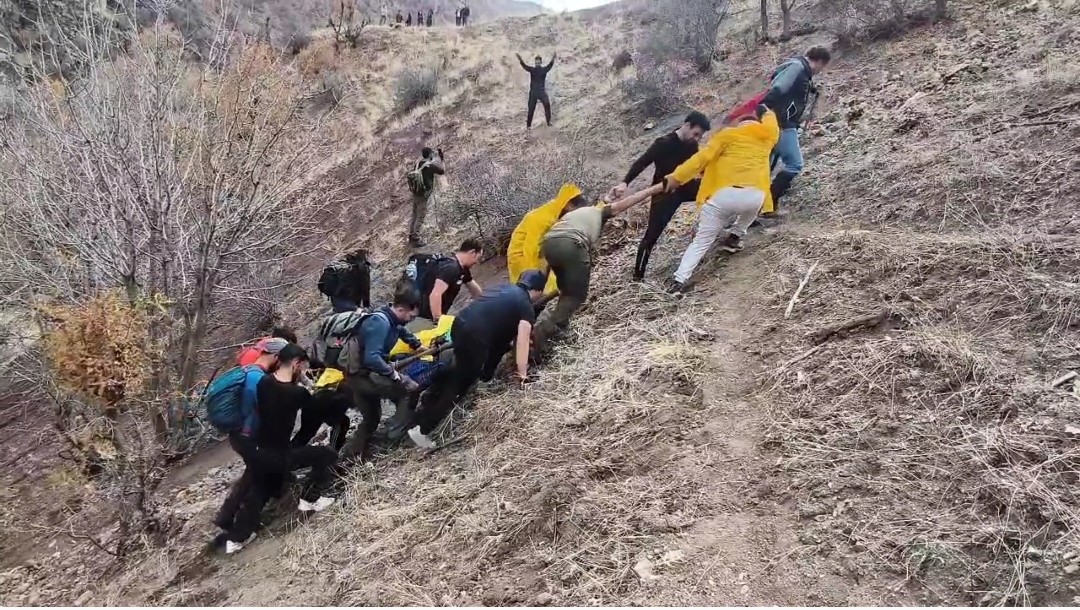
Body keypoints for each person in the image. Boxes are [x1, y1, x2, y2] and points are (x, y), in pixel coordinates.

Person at [407, 270, 547, 449]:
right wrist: (522, 374)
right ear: (537, 291)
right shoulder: (525, 305)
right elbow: (522, 342)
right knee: (459, 385)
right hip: (476, 337)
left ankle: (430, 393)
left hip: (460, 323)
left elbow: (502, 339)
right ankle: (422, 430)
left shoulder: (503, 288)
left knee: (459, 364)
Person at [222, 344, 338, 554]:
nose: (302, 370)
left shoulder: (264, 382)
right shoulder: (298, 393)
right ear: (295, 364)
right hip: (280, 453)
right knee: (326, 455)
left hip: (259, 448)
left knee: (260, 491)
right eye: (301, 366)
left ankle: (236, 539)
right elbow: (315, 410)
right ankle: (310, 499)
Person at [663, 105, 780, 293]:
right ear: (757, 125)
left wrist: (677, 177)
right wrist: (767, 110)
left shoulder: (727, 136)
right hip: (754, 196)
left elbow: (701, 159)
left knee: (702, 241)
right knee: (751, 208)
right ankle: (735, 235)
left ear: (739, 125)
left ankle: (679, 281)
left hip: (723, 197)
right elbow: (772, 125)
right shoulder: (767, 138)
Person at [532, 185, 661, 353]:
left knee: (566, 290)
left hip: (549, 245)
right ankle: (542, 333)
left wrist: (542, 281)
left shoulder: (571, 216)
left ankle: (559, 327)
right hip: (572, 244)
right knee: (576, 295)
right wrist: (656, 189)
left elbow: (551, 243)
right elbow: (628, 201)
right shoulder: (598, 213)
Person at [609, 111, 712, 281]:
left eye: (699, 136)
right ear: (687, 125)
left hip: (685, 187)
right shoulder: (663, 143)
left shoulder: (692, 145)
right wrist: (624, 183)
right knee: (651, 236)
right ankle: (637, 277)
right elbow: (642, 162)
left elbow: (698, 165)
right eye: (695, 134)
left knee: (715, 192)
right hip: (663, 193)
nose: (697, 139)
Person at [213, 338, 287, 537]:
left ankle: (226, 516)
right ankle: (242, 527)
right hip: (248, 436)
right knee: (258, 477)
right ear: (276, 356)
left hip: (239, 436)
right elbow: (257, 407)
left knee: (252, 474)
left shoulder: (248, 371)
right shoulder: (256, 378)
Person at [340, 285, 423, 462]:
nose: (411, 319)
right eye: (411, 316)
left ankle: (348, 459)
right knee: (410, 389)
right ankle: (394, 435)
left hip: (356, 376)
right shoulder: (380, 323)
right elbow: (372, 358)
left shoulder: (388, 317)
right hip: (364, 375)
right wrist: (395, 375)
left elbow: (401, 330)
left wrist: (417, 345)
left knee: (371, 418)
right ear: (401, 309)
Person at [761, 46, 830, 214]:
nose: (820, 71)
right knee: (794, 164)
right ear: (820, 61)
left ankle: (760, 207)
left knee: (765, 167)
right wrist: (766, 108)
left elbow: (788, 88)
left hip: (777, 121)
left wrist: (810, 88)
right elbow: (779, 88)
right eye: (822, 67)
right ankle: (767, 202)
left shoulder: (800, 70)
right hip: (782, 123)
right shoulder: (797, 67)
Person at [507, 183, 582, 298]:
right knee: (530, 288)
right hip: (521, 255)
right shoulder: (542, 218)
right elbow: (531, 250)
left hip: (540, 251)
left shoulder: (558, 211)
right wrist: (534, 280)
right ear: (568, 204)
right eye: (574, 208)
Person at [416, 238, 483, 326]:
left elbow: (474, 289)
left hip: (429, 317)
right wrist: (439, 323)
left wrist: (484, 304)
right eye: (478, 258)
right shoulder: (451, 268)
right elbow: (435, 295)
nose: (477, 262)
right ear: (472, 253)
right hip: (425, 319)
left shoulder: (461, 269)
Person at [407, 146, 445, 247]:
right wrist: (441, 159)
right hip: (423, 194)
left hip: (415, 193)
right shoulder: (429, 166)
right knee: (421, 216)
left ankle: (411, 236)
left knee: (414, 215)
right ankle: (415, 238)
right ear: (430, 155)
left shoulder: (418, 163)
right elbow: (442, 171)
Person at [516, 52, 556, 129]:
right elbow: (524, 66)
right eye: (536, 60)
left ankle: (548, 122)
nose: (537, 62)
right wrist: (520, 59)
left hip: (541, 91)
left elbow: (550, 65)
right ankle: (528, 125)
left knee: (547, 105)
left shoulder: (543, 69)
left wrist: (553, 58)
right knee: (531, 109)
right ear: (535, 62)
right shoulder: (532, 69)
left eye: (538, 60)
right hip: (533, 92)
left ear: (540, 62)